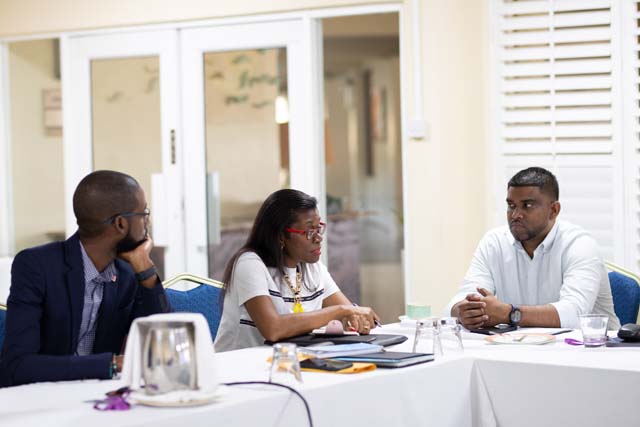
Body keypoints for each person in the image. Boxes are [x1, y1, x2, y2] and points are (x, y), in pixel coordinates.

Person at [0, 170, 170, 387]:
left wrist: (146, 269)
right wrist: (113, 363)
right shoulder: (37, 266)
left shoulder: (128, 273)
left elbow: (166, 343)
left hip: (99, 396)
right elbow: (17, 366)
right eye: (144, 213)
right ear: (120, 224)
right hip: (42, 397)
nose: (147, 221)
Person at [447, 167, 620, 331]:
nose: (515, 215)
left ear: (554, 210)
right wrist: (464, 312)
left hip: (593, 348)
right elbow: (458, 303)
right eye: (511, 206)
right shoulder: (494, 242)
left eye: (527, 206)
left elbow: (575, 314)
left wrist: (509, 313)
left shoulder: (580, 244)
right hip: (520, 347)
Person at [214, 189, 380, 352]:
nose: (318, 238)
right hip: (240, 364)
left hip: (290, 361)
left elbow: (349, 315)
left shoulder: (313, 267)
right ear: (281, 236)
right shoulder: (250, 264)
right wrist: (341, 311)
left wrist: (356, 320)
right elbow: (273, 329)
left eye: (319, 228)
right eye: (309, 231)